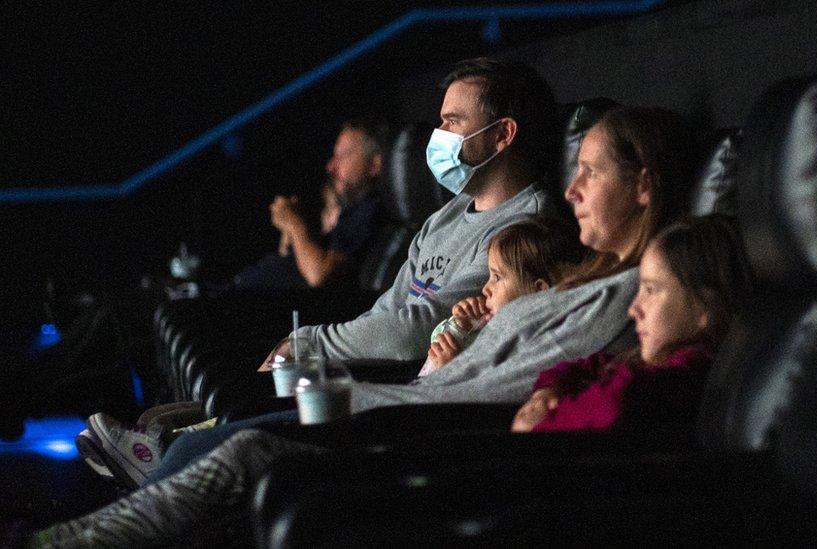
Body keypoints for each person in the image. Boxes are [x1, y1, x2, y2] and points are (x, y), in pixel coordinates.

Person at [28, 214, 748, 549]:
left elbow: (604, 403)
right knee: (225, 445)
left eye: (591, 169)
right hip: (449, 427)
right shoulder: (632, 334)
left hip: (470, 462)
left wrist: (540, 404)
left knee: (245, 456)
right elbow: (573, 372)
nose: (574, 187)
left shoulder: (665, 361)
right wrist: (548, 384)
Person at [78, 56, 565, 487]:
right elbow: (391, 305)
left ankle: (157, 464)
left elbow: (411, 332)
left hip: (411, 391)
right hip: (376, 367)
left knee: (196, 444)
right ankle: (160, 451)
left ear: (503, 134)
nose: (438, 139)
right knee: (194, 416)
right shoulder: (449, 213)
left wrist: (312, 344)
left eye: (453, 122)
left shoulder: (524, 231)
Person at [511, 214, 753, 432]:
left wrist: (540, 424)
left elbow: (614, 402)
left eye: (650, 289)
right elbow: (584, 366)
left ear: (705, 308)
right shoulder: (653, 361)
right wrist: (548, 391)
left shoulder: (681, 377)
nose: (634, 309)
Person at [232, 119, 387, 289]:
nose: (330, 167)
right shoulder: (350, 213)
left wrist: (295, 224)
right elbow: (289, 259)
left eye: (342, 156)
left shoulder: (369, 212)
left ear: (374, 164)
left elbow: (319, 275)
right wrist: (289, 229)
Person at [420, 217, 583, 376]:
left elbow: (491, 391)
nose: (485, 289)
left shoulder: (531, 346)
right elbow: (436, 341)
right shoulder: (487, 323)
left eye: (497, 277)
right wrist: (460, 326)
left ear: (539, 291)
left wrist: (454, 371)